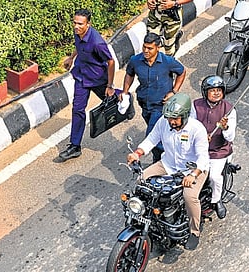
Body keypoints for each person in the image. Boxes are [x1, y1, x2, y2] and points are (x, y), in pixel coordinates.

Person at [127, 93, 209, 250]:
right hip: (168, 164)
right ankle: (144, 217)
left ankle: (194, 231)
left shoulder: (196, 129)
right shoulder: (164, 123)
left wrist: (193, 175)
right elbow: (152, 139)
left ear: (185, 116)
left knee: (189, 196)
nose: (171, 121)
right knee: (141, 181)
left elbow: (203, 157)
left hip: (193, 169)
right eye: (170, 118)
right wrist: (137, 153)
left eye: (175, 118)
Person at [59, 9, 116, 161]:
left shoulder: (97, 42)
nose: (76, 26)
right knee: (77, 109)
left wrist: (110, 85)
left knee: (112, 99)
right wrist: (71, 58)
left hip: (97, 78)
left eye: (80, 24)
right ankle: (75, 146)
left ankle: (125, 99)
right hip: (81, 76)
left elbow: (111, 61)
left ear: (88, 24)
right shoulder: (77, 33)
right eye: (75, 23)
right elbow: (78, 46)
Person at [123, 32, 186, 163]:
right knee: (160, 132)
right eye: (144, 47)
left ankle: (163, 160)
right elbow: (129, 74)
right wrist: (125, 92)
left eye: (150, 48)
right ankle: (166, 155)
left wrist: (173, 92)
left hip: (161, 106)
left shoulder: (167, 62)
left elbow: (182, 71)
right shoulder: (136, 61)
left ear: (158, 47)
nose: (146, 51)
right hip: (145, 104)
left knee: (151, 135)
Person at [190, 75, 237, 219]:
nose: (216, 93)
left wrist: (225, 127)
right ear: (205, 92)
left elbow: (230, 137)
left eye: (219, 90)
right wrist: (200, 136)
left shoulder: (229, 110)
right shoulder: (195, 105)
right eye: (212, 90)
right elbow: (191, 126)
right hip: (199, 149)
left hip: (218, 151)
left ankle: (217, 200)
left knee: (215, 177)